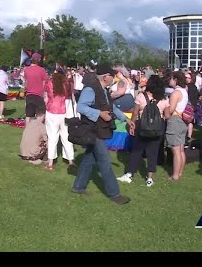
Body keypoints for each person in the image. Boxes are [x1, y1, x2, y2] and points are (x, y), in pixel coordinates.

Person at [72, 63, 135, 204]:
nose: (114, 78)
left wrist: (126, 119)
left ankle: (78, 187)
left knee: (90, 159)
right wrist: (99, 113)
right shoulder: (90, 89)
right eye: (112, 75)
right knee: (104, 160)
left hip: (100, 129)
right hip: (93, 130)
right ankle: (114, 194)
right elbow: (81, 107)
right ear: (106, 77)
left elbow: (111, 109)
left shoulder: (104, 90)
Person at [118, 75, 170, 186]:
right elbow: (167, 115)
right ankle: (149, 178)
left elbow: (135, 113)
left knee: (136, 151)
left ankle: (129, 174)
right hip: (157, 128)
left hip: (142, 127)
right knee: (153, 153)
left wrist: (132, 125)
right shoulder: (164, 98)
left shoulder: (141, 96)